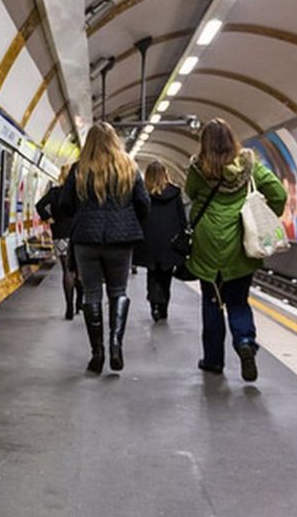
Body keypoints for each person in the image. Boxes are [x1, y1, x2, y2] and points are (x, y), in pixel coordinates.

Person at [185, 118, 287, 382]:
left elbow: (190, 192)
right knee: (238, 301)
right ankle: (244, 341)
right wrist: (265, 214)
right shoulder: (250, 167)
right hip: (240, 243)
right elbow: (278, 193)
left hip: (207, 244)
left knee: (212, 303)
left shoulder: (198, 168)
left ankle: (213, 361)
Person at [59, 122, 150, 373]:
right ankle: (115, 346)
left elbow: (65, 205)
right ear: (114, 141)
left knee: (91, 293)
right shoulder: (129, 168)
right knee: (118, 290)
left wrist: (81, 210)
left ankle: (96, 353)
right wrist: (129, 221)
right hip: (120, 241)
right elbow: (143, 203)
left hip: (86, 239)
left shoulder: (79, 169)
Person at [133, 161, 187, 322]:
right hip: (170, 241)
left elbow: (138, 216)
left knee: (152, 274)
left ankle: (154, 304)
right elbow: (182, 218)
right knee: (166, 276)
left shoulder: (142, 193)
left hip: (149, 240)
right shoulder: (175, 193)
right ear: (165, 173)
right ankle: (163, 308)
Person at [37, 164, 82, 320]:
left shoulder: (55, 192)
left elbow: (39, 205)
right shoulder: (79, 192)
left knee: (67, 271)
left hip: (60, 234)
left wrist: (49, 218)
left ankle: (69, 308)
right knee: (79, 270)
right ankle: (79, 302)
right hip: (78, 234)